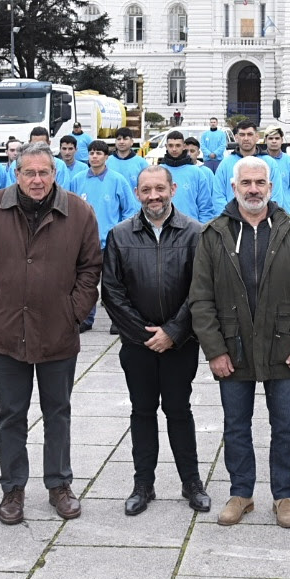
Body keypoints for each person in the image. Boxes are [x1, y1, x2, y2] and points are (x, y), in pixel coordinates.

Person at [0, 144, 102, 525]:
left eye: (44, 173)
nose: (37, 180)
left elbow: (91, 268)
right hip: (5, 332)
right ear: (16, 174)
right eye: (29, 173)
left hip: (58, 331)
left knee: (58, 412)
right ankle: (13, 488)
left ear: (54, 174)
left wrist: (74, 310)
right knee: (11, 414)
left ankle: (59, 484)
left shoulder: (79, 211)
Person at [189, 158, 290, 529]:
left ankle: (284, 496)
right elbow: (200, 299)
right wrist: (214, 349)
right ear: (234, 188)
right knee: (236, 425)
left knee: (286, 426)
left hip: (284, 346)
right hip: (233, 349)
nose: (253, 189)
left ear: (270, 186)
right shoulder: (214, 234)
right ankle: (242, 492)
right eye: (245, 182)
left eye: (259, 182)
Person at [101, 165, 211, 515]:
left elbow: (201, 290)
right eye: (146, 190)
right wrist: (145, 335)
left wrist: (173, 332)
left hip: (181, 343)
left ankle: (191, 482)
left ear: (172, 189)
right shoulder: (120, 235)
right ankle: (142, 484)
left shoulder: (195, 233)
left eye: (160, 188)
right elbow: (112, 291)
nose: (154, 196)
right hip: (138, 346)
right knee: (142, 411)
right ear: (137, 194)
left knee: (179, 411)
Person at [72, 142, 138, 331]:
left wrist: (120, 233)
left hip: (110, 242)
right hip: (84, 242)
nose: (94, 156)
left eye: (99, 153)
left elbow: (130, 210)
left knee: (113, 284)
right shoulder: (77, 180)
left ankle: (118, 320)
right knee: (85, 282)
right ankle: (85, 318)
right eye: (91, 153)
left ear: (106, 157)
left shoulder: (117, 180)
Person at [160, 130, 218, 221]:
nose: (174, 149)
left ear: (183, 147)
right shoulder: (158, 172)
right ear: (166, 147)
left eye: (178, 145)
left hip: (190, 230)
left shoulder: (196, 172)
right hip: (162, 229)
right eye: (171, 145)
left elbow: (206, 207)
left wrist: (201, 230)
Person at [213, 119, 265, 192]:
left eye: (250, 134)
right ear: (236, 137)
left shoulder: (269, 163)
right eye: (242, 135)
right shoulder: (225, 164)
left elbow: (276, 196)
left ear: (257, 137)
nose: (246, 138)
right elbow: (217, 194)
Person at [263, 128, 290, 211]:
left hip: (285, 210)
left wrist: (287, 201)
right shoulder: (259, 161)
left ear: (282, 140)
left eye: (277, 138)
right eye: (270, 138)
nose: (274, 141)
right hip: (262, 210)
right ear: (265, 140)